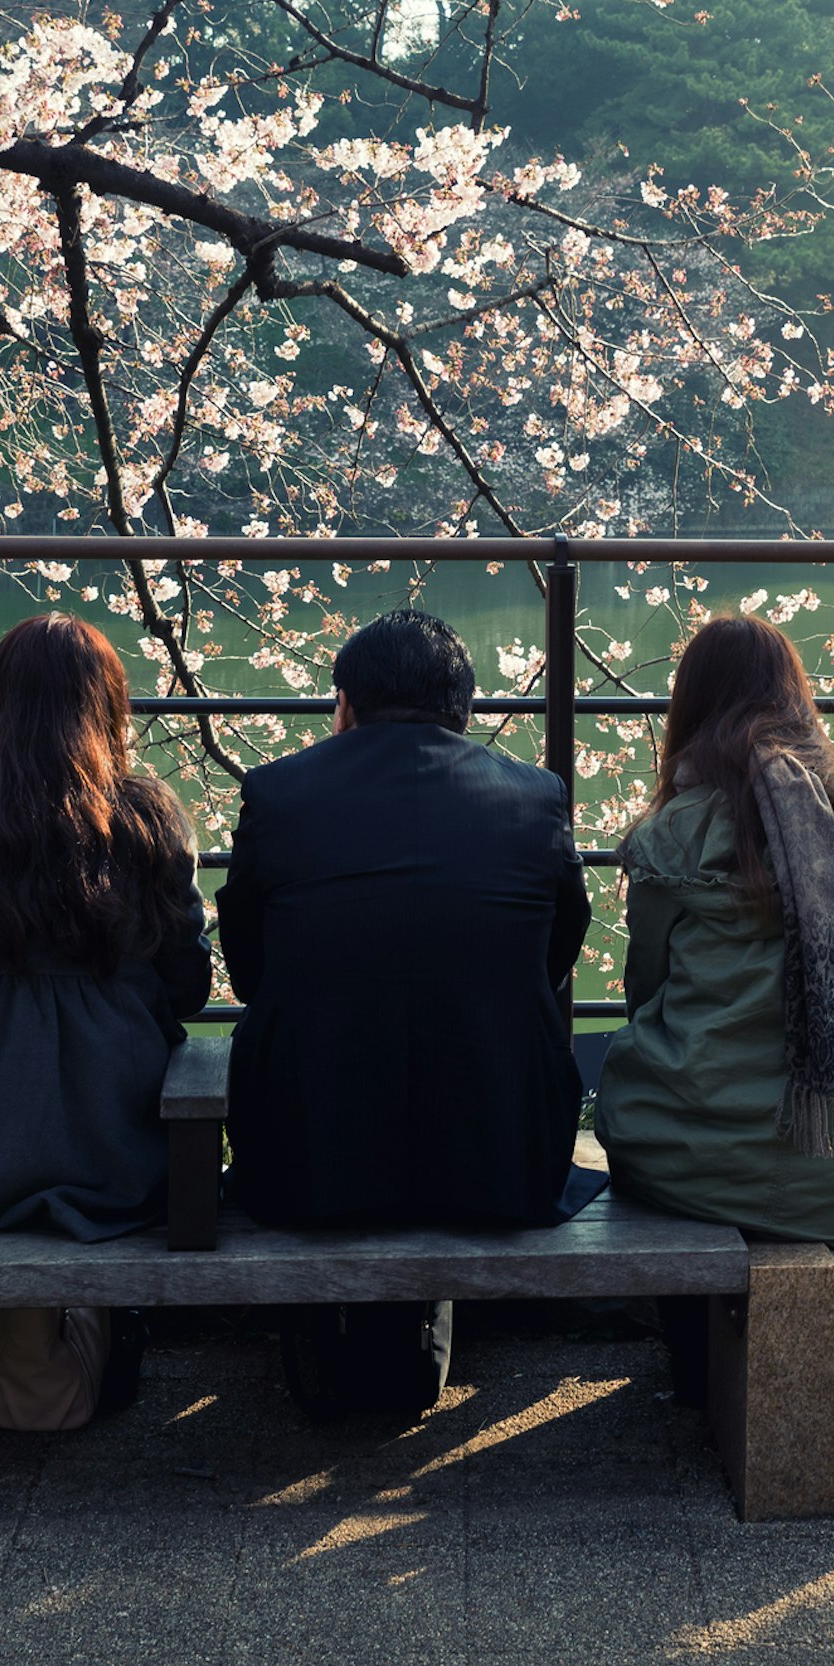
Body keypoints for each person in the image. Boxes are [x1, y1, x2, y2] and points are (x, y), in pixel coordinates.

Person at [216, 606, 590, 1416]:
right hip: (501, 1160)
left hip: (308, 1160)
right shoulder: (535, 798)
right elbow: (556, 952)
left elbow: (250, 971)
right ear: (465, 711)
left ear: (343, 702)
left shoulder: (277, 793)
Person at [0, 614, 211, 1427]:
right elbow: (189, 988)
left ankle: (12, 1355)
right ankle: (80, 1345)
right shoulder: (149, 814)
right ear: (110, 706)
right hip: (111, 1153)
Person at [597, 611, 834, 1287]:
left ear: (689, 707)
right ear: (797, 696)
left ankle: (694, 1358)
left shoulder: (670, 835)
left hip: (681, 1165)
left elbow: (645, 993)